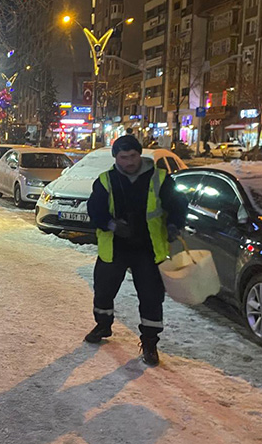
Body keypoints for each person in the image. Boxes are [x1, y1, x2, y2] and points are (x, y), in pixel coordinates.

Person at [85, 135, 187, 366]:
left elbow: (178, 205)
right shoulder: (106, 180)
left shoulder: (160, 178)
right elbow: (95, 209)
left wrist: (174, 224)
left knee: (151, 297)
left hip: (148, 249)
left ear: (139, 154)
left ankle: (150, 342)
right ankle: (103, 325)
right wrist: (111, 225)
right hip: (115, 247)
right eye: (123, 157)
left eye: (133, 156)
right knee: (103, 291)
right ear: (116, 158)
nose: (129, 161)